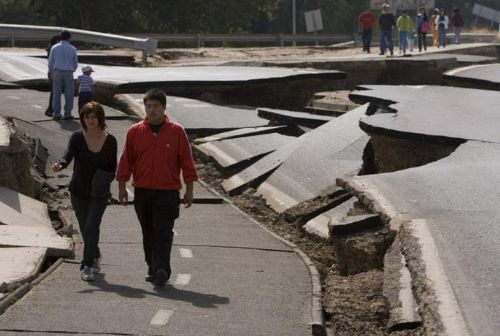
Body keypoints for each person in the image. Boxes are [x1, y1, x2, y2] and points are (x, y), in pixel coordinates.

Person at [117, 89, 198, 287]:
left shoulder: (176, 131)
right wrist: (121, 186)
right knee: (148, 231)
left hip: (168, 192)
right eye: (149, 106)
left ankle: (162, 268)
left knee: (163, 230)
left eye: (156, 106)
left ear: (164, 108)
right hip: (143, 191)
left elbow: (186, 161)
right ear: (145, 107)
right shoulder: (135, 131)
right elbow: (126, 160)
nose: (152, 110)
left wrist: (189, 189)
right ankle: (152, 265)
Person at [52, 102, 117, 281]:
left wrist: (107, 181)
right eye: (87, 117)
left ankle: (87, 265)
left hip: (99, 193)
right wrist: (61, 164)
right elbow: (68, 155)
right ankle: (94, 253)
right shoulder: (77, 137)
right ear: (83, 119)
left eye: (94, 116)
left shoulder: (110, 140)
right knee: (85, 228)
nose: (91, 120)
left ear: (100, 118)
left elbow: (113, 167)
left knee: (91, 227)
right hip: (78, 190)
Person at [48, 30, 78, 120]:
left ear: (60, 37)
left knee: (56, 93)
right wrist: (72, 70)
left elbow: (50, 62)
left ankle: (56, 114)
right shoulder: (72, 48)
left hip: (57, 71)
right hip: (69, 72)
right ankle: (67, 113)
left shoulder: (54, 47)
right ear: (69, 38)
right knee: (69, 93)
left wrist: (51, 71)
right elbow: (75, 62)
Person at [45, 33, 60, 117]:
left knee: (54, 91)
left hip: (51, 72)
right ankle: (50, 109)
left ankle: (51, 109)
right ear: (57, 40)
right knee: (54, 91)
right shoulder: (53, 48)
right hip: (53, 72)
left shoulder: (51, 48)